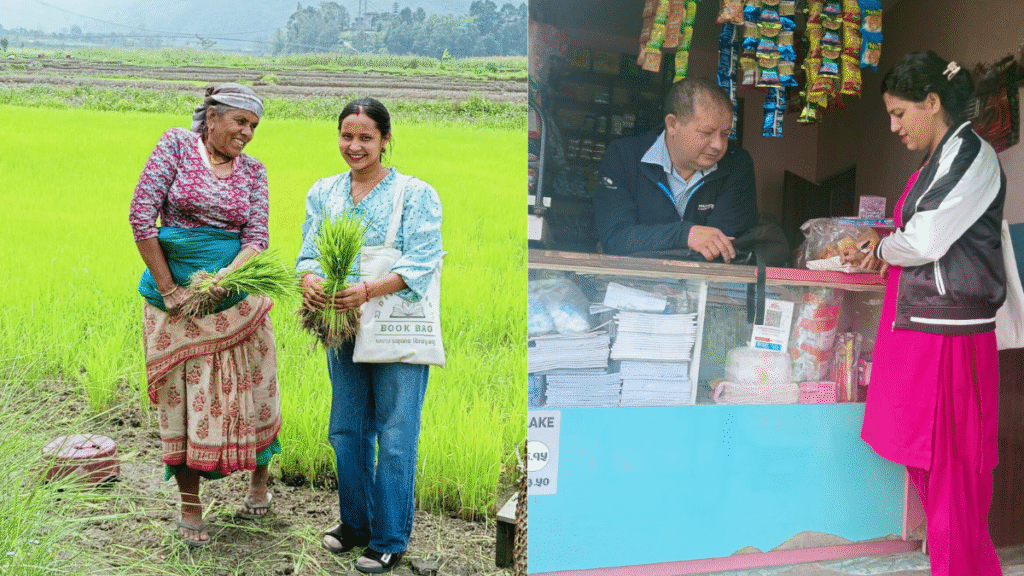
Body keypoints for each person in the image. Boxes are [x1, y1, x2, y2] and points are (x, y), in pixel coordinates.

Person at [851, 50, 1007, 575]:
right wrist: (882, 245)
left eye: (899, 113)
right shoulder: (936, 161)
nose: (894, 127)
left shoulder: (973, 154)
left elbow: (926, 239)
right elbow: (911, 237)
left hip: (947, 335)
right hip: (917, 327)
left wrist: (886, 247)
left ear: (933, 102)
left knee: (952, 474)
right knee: (928, 467)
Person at [129, 83, 282, 548]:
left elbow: (256, 236)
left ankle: (259, 481)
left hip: (236, 302)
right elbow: (141, 215)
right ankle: (190, 505)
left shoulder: (254, 171)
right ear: (212, 116)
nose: (247, 133)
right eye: (240, 121)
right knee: (182, 399)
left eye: (254, 125)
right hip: (172, 304)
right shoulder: (176, 144)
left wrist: (226, 279)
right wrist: (170, 289)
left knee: (255, 390)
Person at [296, 97, 443, 574]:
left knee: (397, 435)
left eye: (365, 137)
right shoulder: (324, 191)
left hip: (395, 328)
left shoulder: (416, 193)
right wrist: (310, 281)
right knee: (346, 431)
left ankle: (389, 538)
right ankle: (355, 524)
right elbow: (308, 253)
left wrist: (368, 290)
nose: (354, 146)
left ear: (385, 140)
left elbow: (424, 258)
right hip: (342, 328)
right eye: (346, 135)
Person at [593, 77, 758, 261]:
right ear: (673, 124)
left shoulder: (737, 165)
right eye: (706, 133)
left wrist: (649, 241)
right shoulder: (624, 156)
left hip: (704, 286)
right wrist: (685, 235)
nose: (718, 145)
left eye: (725, 134)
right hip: (635, 283)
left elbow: (724, 250)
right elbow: (615, 240)